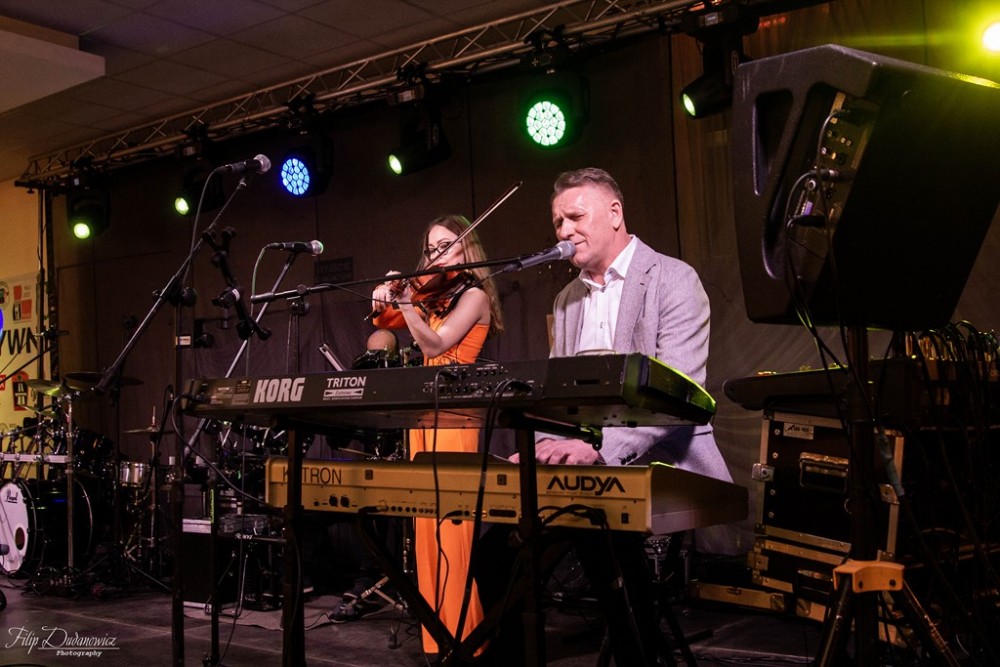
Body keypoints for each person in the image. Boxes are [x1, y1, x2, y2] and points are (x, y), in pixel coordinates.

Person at [493, 167, 735, 666]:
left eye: (575, 217)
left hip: (663, 459)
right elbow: (560, 400)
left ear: (615, 213)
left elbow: (679, 398)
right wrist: (542, 447)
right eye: (557, 222)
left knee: (606, 545)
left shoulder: (673, 279)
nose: (563, 231)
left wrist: (599, 448)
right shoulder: (566, 300)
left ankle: (636, 652)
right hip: (589, 466)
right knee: (495, 553)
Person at [370, 214, 504, 659]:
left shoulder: (474, 296)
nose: (436, 255)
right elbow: (383, 323)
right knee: (425, 534)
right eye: (430, 249)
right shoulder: (435, 296)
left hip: (456, 419)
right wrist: (383, 295)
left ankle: (468, 642)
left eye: (446, 245)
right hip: (424, 418)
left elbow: (434, 345)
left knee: (453, 537)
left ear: (468, 249)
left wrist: (407, 303)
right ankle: (437, 641)